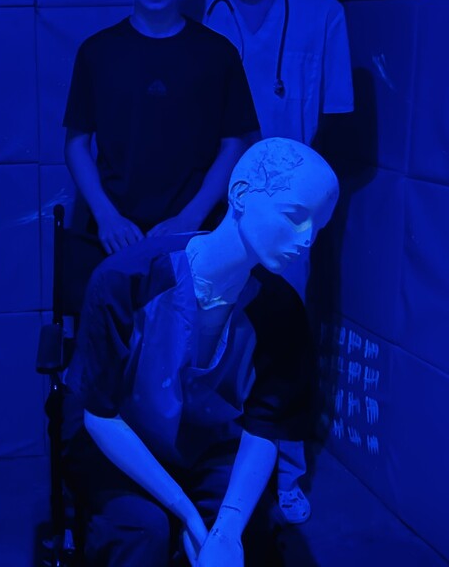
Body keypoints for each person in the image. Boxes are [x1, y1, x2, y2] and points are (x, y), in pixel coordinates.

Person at [63, 138, 339, 566]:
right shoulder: (125, 280)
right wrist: (189, 517)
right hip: (122, 441)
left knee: (252, 537)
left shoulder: (280, 309)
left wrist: (226, 531)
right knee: (141, 533)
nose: (307, 239)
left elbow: (264, 425)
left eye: (317, 226)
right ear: (241, 194)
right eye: (294, 216)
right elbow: (99, 414)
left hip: (211, 445)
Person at [183, 0, 354, 523]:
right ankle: (209, 464)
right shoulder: (197, 10)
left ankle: (286, 471)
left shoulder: (321, 14)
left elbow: (335, 122)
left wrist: (303, 212)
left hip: (285, 216)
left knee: (283, 341)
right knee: (208, 332)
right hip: (215, 205)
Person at [62, 0, 256, 261]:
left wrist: (190, 217)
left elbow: (234, 143)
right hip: (115, 234)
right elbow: (76, 144)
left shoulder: (218, 54)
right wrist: (107, 217)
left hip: (197, 235)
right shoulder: (97, 52)